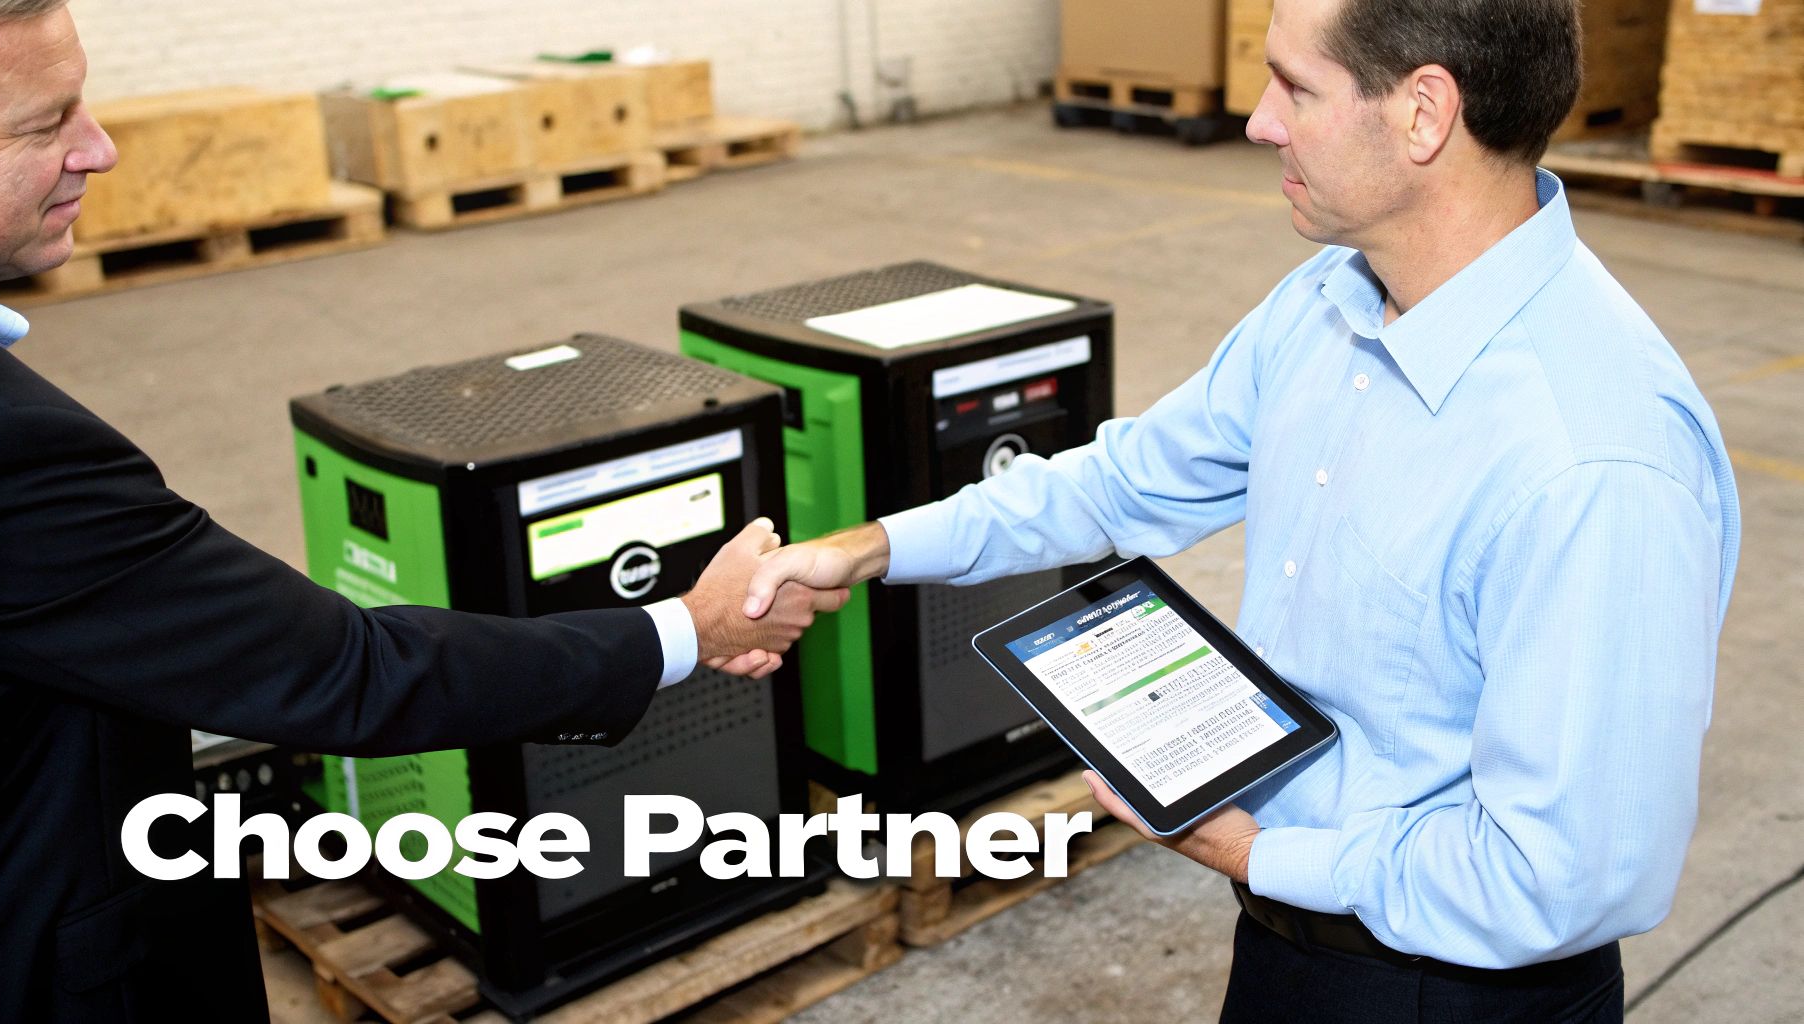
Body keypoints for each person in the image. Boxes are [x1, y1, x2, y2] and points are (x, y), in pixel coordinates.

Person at [744, 0, 1741, 1020]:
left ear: (1421, 114)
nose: (1259, 120)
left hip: (1452, 992)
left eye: (1295, 87)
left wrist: (1254, 848)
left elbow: (1564, 877)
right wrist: (866, 550)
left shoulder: (1593, 460)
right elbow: (1125, 478)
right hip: (1284, 936)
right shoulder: (1328, 300)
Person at [0, 3, 847, 1020]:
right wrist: (688, 626)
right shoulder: (14, 449)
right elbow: (348, 672)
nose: (101, 148)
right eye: (46, 125)